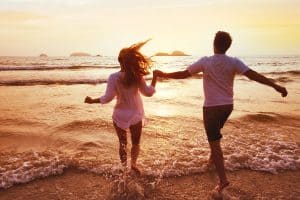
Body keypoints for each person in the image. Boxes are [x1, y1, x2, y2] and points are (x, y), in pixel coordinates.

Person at [154, 31, 288, 192]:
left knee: (215, 143)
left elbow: (184, 74)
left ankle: (223, 180)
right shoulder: (234, 62)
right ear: (227, 46)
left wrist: (164, 74)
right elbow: (253, 75)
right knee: (215, 137)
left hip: (211, 108)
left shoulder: (206, 61)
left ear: (214, 43)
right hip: (227, 107)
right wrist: (276, 86)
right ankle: (212, 158)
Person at [85, 40, 157, 175]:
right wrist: (155, 77)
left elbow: (107, 98)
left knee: (122, 143)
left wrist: (91, 101)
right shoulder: (137, 76)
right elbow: (148, 93)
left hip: (120, 115)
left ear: (119, 61)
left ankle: (124, 169)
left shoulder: (113, 77)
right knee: (135, 143)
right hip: (135, 114)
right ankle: (134, 164)